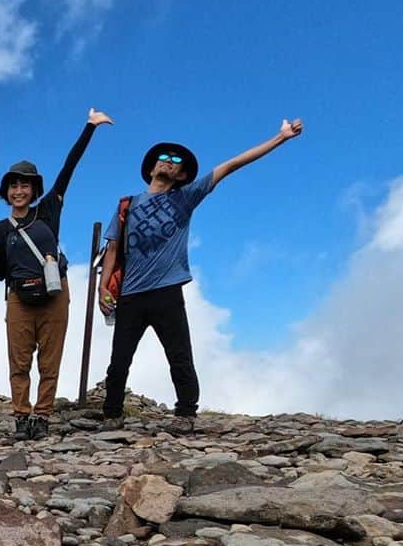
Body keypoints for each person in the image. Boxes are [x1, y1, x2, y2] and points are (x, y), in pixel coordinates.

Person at [99, 118, 305, 434]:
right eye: (163, 158)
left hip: (167, 290)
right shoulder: (127, 204)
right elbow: (113, 250)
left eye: (176, 160)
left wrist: (281, 137)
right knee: (119, 360)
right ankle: (111, 414)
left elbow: (233, 164)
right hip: (130, 293)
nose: (169, 162)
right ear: (152, 168)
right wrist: (104, 289)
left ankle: (186, 413)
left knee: (179, 355)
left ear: (182, 175)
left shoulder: (186, 197)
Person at [0, 108, 113, 441]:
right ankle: (21, 415)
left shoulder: (49, 210)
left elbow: (68, 168)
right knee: (19, 361)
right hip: (18, 296)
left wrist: (89, 127)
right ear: (6, 192)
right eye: (14, 185)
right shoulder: (1, 229)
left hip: (55, 293)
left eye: (25, 185)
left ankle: (42, 416)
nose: (19, 191)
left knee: (50, 359)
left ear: (34, 190)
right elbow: (1, 273)